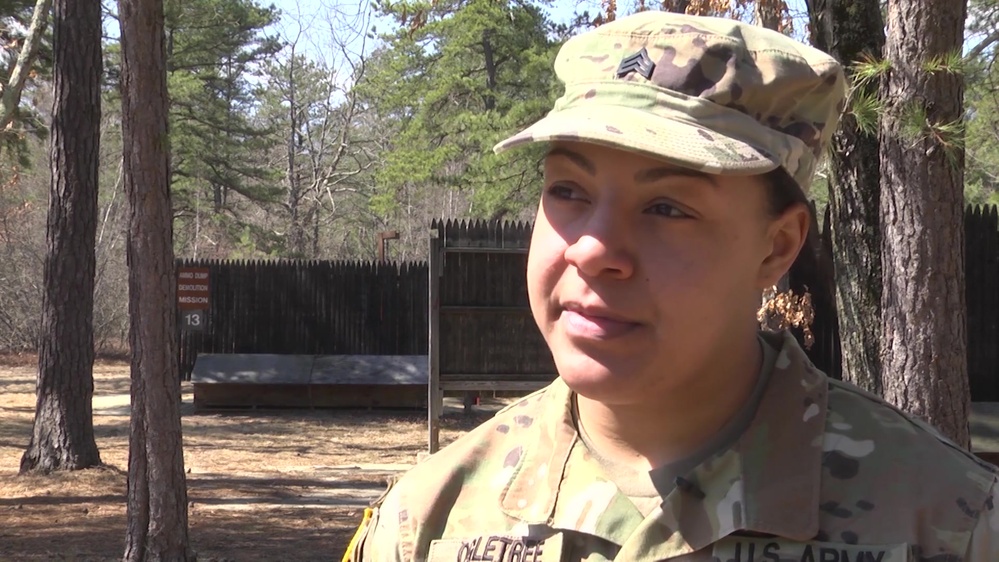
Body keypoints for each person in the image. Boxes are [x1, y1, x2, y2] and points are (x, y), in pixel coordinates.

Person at [343, 10, 999, 562]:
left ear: (776, 247)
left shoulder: (947, 525)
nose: (593, 250)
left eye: (666, 208)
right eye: (567, 190)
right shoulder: (427, 522)